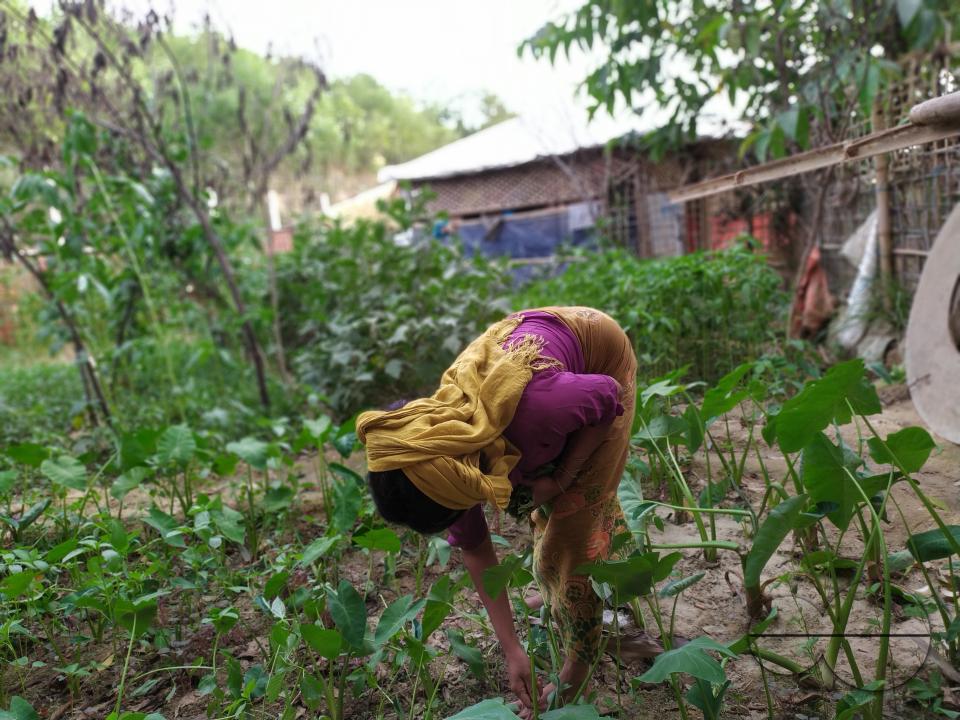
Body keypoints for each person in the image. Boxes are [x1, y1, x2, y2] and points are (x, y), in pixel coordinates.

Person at [357, 307, 637, 715]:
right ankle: (559, 585)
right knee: (536, 495)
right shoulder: (444, 457)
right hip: (544, 361)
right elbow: (475, 548)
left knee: (575, 519)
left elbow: (606, 394)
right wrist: (513, 650)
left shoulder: (536, 411)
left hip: (602, 358)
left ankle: (579, 663)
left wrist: (561, 479)